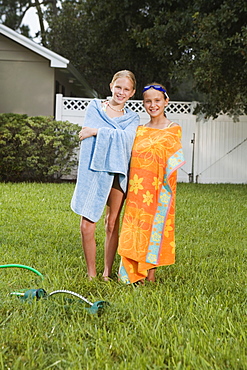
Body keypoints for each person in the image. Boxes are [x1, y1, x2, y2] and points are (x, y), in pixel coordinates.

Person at [71, 70, 140, 280]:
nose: (121, 92)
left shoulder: (132, 118)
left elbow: (128, 140)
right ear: (111, 86)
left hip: (118, 171)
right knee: (86, 224)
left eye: (126, 89)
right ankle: (91, 273)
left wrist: (97, 131)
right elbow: (100, 135)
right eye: (118, 87)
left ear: (132, 93)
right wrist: (106, 133)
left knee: (112, 223)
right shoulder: (95, 107)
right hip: (94, 170)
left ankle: (107, 272)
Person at [118, 83, 185, 284]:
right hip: (137, 190)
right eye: (148, 101)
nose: (153, 105)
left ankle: (151, 275)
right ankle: (133, 274)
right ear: (144, 103)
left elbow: (174, 160)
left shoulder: (173, 129)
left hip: (159, 190)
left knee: (154, 228)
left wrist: (164, 190)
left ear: (166, 101)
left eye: (157, 100)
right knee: (135, 228)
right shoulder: (139, 130)